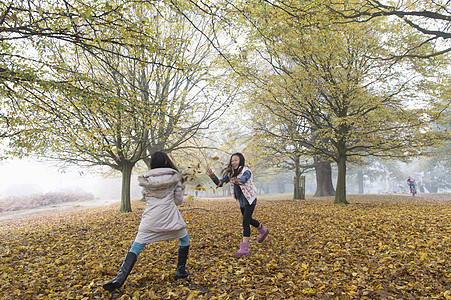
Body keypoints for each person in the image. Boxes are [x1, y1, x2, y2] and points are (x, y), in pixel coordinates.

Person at [103, 152, 192, 292]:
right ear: (166, 162)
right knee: (184, 238)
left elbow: (147, 199)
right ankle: (180, 272)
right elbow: (178, 201)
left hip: (150, 220)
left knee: (137, 247)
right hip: (170, 219)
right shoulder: (175, 177)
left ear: (152, 164)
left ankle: (119, 278)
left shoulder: (146, 180)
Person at [206, 153, 269, 256]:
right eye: (232, 160)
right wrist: (213, 176)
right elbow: (220, 184)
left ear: (241, 161)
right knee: (248, 220)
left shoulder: (246, 170)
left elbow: (244, 178)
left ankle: (244, 249)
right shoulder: (231, 173)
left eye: (236, 160)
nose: (233, 162)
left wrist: (238, 181)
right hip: (242, 201)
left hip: (250, 200)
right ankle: (263, 230)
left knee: (245, 222)